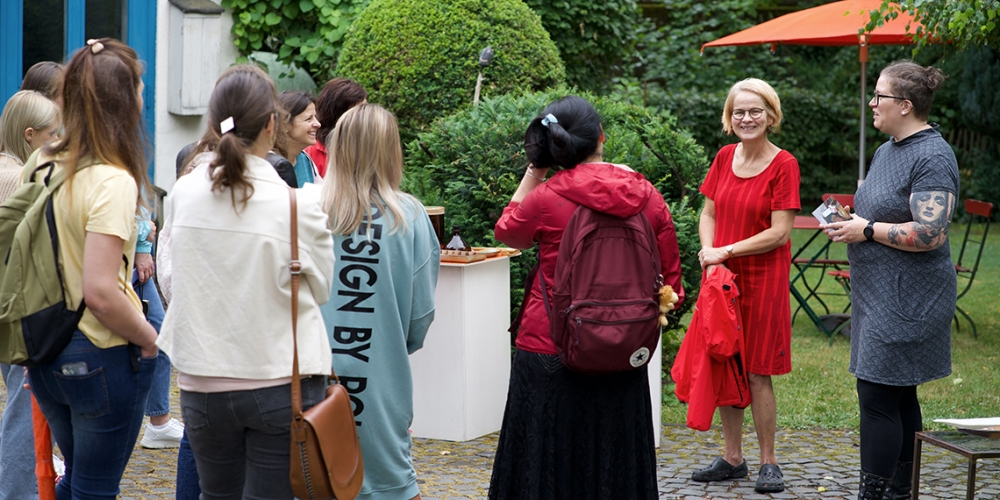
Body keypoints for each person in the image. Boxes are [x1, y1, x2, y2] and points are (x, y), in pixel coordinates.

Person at [489, 95, 685, 499]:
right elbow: (673, 288)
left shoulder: (546, 199)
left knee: (541, 467)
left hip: (549, 346)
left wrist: (534, 171)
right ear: (602, 137)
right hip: (623, 349)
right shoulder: (647, 197)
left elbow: (507, 231)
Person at [156, 65, 335, 499]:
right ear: (273, 125)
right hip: (279, 381)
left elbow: (173, 274)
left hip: (202, 379)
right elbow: (322, 288)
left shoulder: (183, 194)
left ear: (213, 124)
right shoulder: (297, 206)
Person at [22, 38, 159, 500]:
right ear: (122, 101)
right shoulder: (113, 179)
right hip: (98, 351)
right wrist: (150, 337)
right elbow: (100, 291)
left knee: (79, 480)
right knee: (95, 488)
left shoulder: (41, 163)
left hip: (44, 347)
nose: (144, 94)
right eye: (139, 86)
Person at [822, 61, 958, 500]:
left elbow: (931, 232)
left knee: (877, 396)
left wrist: (865, 229)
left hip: (909, 299)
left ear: (904, 104)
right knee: (898, 396)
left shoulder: (932, 155)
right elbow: (880, 214)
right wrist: (852, 222)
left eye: (878, 96)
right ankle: (901, 491)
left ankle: (874, 494)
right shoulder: (887, 150)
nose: (871, 103)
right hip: (877, 294)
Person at [318, 103, 439, 500]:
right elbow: (419, 317)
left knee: (318, 476)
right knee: (390, 485)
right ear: (391, 151)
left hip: (314, 380)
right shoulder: (410, 216)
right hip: (381, 381)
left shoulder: (308, 210)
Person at [691, 78, 800, 494]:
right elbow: (708, 214)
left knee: (757, 372)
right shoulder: (723, 157)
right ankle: (733, 458)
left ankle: (769, 462)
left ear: (771, 116)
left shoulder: (784, 163)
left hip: (762, 280)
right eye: (739, 111)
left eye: (755, 111)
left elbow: (779, 233)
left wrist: (725, 251)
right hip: (723, 279)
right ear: (728, 117)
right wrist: (708, 251)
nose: (747, 118)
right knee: (725, 362)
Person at [0, 88, 61, 500]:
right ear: (29, 134)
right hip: (19, 311)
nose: (59, 141)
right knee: (24, 414)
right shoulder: (19, 177)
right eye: (53, 133)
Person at [305, 77, 367, 177]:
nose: (365, 115)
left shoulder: (368, 143)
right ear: (337, 114)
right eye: (357, 112)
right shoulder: (311, 151)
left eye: (365, 108)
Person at [276, 91, 321, 186]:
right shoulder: (269, 165)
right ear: (285, 125)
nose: (318, 124)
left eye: (315, 117)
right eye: (308, 119)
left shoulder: (306, 159)